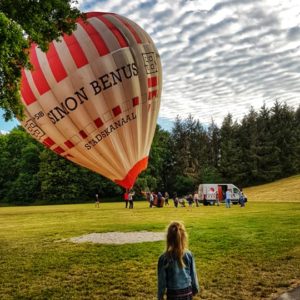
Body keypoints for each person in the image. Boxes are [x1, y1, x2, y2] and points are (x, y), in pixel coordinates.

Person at [157, 221, 200, 300]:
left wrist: (160, 295)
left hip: (173, 294)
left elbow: (161, 281)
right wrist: (195, 288)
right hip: (187, 292)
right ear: (184, 237)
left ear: (168, 238)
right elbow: (193, 275)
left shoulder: (163, 258)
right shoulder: (189, 254)